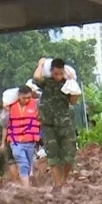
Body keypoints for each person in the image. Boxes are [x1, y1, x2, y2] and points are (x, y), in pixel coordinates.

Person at [33, 58, 80, 190]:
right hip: (48, 125)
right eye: (55, 74)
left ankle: (64, 179)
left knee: (69, 156)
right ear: (51, 71)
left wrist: (73, 87)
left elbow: (73, 102)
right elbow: (36, 76)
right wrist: (41, 63)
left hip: (65, 125)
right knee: (52, 156)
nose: (58, 77)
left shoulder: (67, 83)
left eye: (60, 73)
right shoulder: (46, 83)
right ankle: (58, 185)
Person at [6, 86, 41, 187]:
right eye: (24, 98)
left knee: (28, 166)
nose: (26, 100)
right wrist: (6, 112)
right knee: (23, 163)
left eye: (28, 97)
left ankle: (24, 185)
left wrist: (35, 93)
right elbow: (4, 122)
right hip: (15, 141)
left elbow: (45, 99)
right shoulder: (11, 106)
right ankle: (26, 190)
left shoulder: (35, 104)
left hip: (30, 142)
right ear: (19, 96)